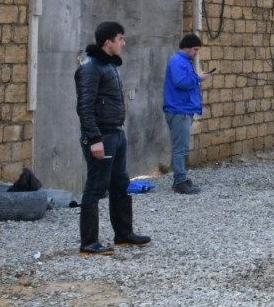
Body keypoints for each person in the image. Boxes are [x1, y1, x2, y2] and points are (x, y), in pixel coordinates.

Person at [75, 21, 150, 257]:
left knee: (120, 183)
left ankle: (124, 234)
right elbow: (85, 107)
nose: (123, 43)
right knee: (95, 187)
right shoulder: (90, 68)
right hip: (102, 136)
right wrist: (94, 139)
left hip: (116, 133)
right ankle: (89, 243)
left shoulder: (109, 66)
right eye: (120, 39)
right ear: (108, 42)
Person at [163, 33, 212, 195]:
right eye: (195, 49)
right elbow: (180, 82)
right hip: (179, 110)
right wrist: (198, 78)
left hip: (183, 109)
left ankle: (181, 179)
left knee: (182, 147)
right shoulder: (178, 61)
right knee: (180, 148)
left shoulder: (182, 61)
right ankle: (180, 181)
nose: (197, 53)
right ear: (188, 48)